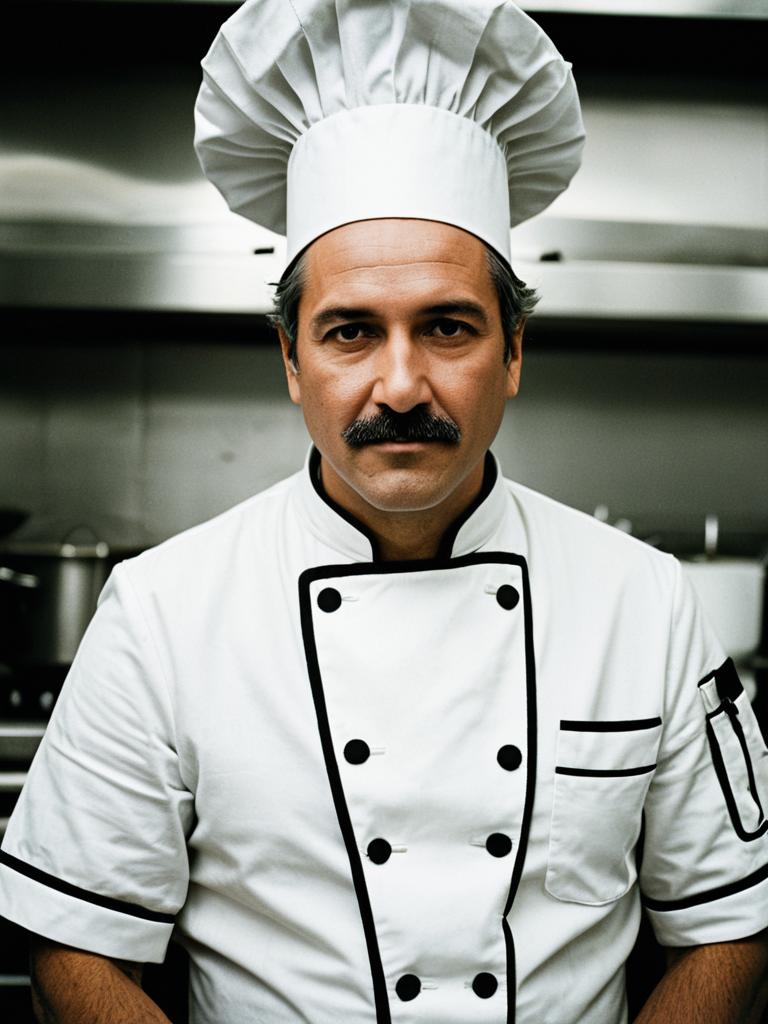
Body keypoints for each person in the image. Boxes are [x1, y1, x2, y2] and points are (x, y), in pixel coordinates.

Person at [1, 2, 767, 1022]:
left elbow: (727, 922)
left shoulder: (645, 599)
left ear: (516, 352)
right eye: (350, 331)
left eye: (447, 327)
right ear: (291, 360)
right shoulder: (158, 612)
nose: (399, 386)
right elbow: (79, 949)